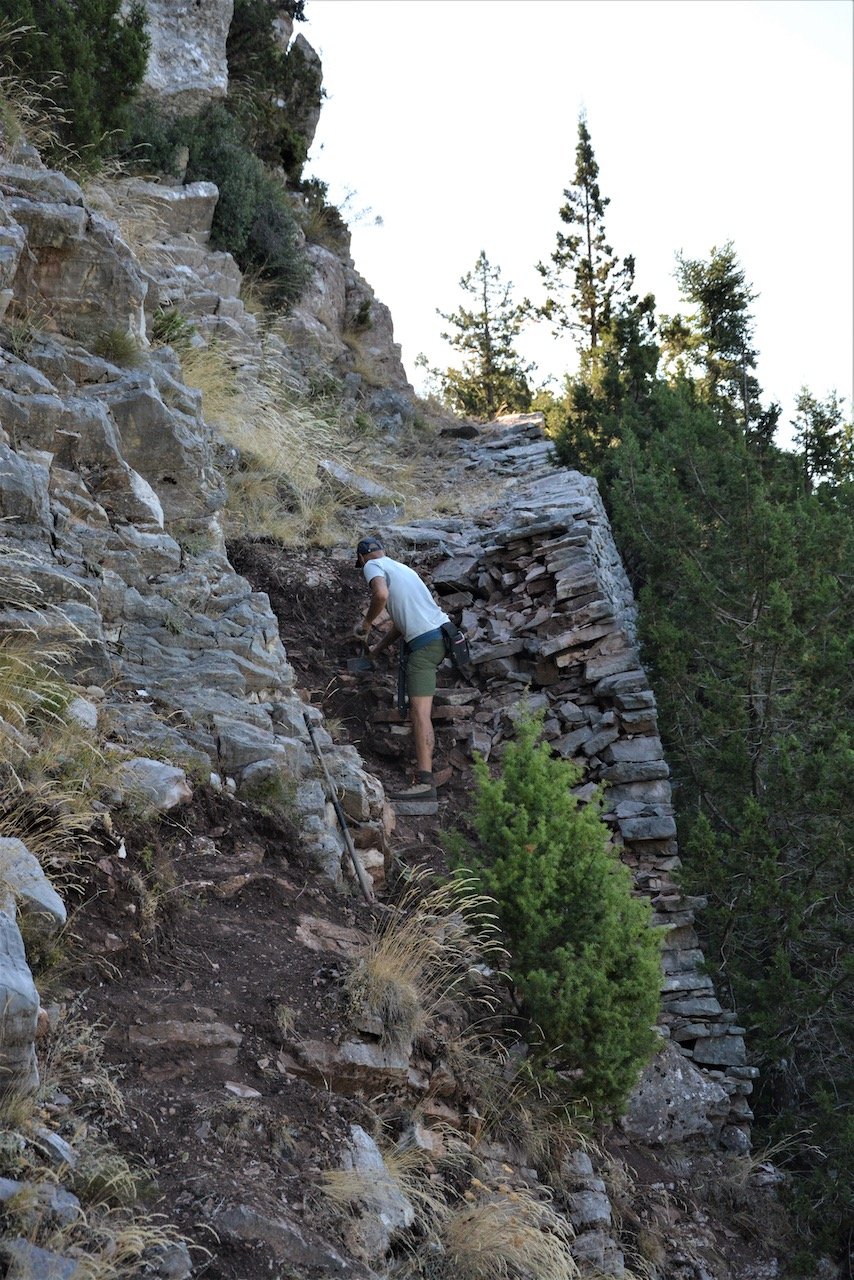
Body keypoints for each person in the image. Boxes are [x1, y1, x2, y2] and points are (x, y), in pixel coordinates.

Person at [353, 535, 449, 810]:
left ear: (361, 558)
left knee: (420, 713)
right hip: (442, 637)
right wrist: (377, 650)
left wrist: (367, 623)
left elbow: (380, 595)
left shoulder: (372, 566)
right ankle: (426, 778)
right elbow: (402, 623)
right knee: (422, 711)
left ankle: (424, 783)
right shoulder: (404, 569)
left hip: (425, 646)